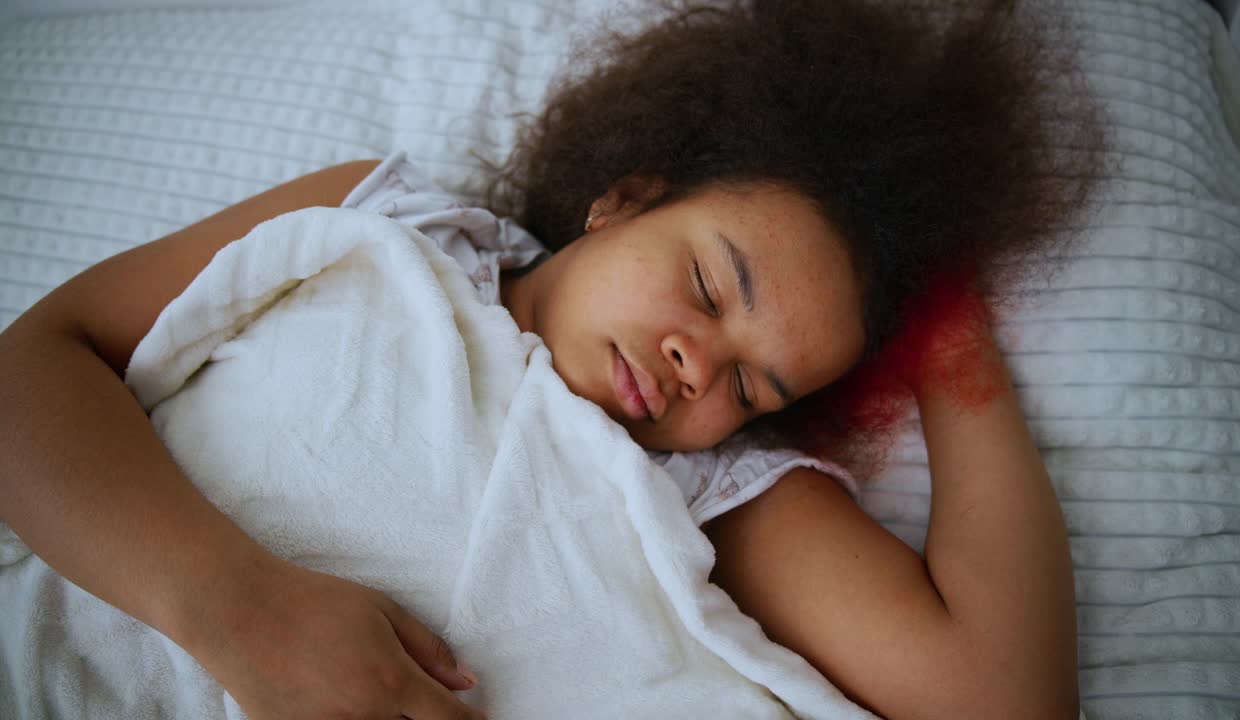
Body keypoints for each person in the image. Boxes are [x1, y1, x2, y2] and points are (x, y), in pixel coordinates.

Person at [0, 0, 1106, 718]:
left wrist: (947, 325)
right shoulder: (386, 231)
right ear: (623, 198)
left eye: (753, 385)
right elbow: (31, 370)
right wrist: (239, 608)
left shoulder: (705, 497)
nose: (695, 367)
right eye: (711, 288)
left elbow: (1003, 697)